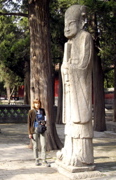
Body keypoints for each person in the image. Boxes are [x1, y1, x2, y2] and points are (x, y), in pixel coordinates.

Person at [57, 5, 94, 167]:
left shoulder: (85, 37)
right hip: (71, 88)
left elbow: (84, 65)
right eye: (65, 24)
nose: (66, 28)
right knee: (71, 122)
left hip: (80, 88)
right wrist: (66, 68)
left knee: (80, 123)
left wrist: (69, 67)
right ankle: (69, 150)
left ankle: (82, 156)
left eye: (70, 23)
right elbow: (67, 66)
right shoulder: (69, 44)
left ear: (81, 22)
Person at [28, 98, 50, 167]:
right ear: (34, 104)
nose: (37, 105)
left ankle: (44, 160)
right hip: (34, 130)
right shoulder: (31, 111)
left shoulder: (42, 110)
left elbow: (45, 118)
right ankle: (36, 159)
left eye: (38, 103)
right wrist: (29, 133)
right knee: (35, 146)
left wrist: (44, 122)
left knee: (43, 145)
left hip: (42, 129)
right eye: (36, 103)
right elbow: (29, 123)